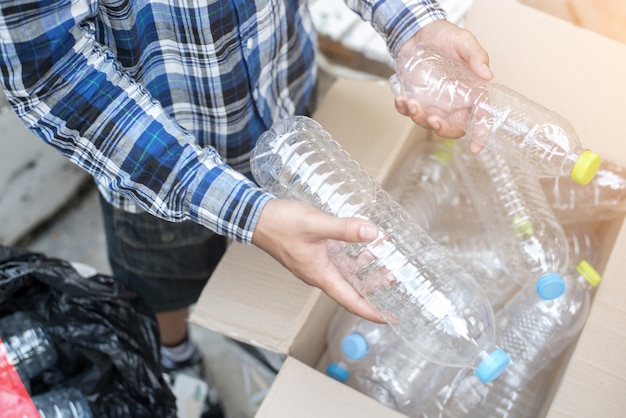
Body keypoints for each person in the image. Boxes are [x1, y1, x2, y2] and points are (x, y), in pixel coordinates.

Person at [0, 0, 492, 415]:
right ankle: (176, 356)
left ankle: (256, 325)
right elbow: (50, 70)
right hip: (156, 164)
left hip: (290, 105)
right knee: (159, 284)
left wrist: (409, 22)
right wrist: (247, 213)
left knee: (290, 261)